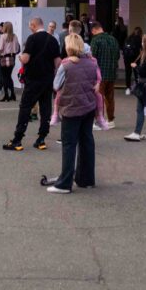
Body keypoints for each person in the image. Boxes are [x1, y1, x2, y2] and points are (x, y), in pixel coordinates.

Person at [46, 34, 99, 194]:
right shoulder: (92, 63)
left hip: (71, 107)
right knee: (86, 141)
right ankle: (86, 179)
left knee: (69, 145)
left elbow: (56, 85)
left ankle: (64, 183)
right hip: (88, 106)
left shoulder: (66, 65)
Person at [3, 17, 60, 152]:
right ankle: (41, 139)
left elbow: (26, 59)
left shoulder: (32, 39)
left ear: (34, 25)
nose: (30, 28)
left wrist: (20, 57)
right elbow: (58, 62)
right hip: (47, 79)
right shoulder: (53, 40)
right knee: (45, 108)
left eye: (30, 26)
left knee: (25, 107)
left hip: (33, 79)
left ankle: (17, 139)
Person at [123, 35, 146, 142]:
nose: (142, 43)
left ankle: (137, 132)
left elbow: (143, 72)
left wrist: (136, 67)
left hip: (144, 85)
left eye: (143, 41)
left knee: (140, 109)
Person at [88, 22, 119, 128]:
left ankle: (99, 121)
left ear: (94, 30)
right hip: (111, 73)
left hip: (99, 74)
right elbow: (118, 56)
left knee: (98, 98)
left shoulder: (95, 40)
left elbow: (92, 58)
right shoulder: (113, 39)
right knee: (110, 98)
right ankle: (111, 120)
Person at [0, 23, 19, 102]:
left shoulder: (2, 36)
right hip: (12, 58)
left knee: (4, 77)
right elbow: (16, 49)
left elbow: (0, 48)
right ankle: (12, 94)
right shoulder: (14, 36)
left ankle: (6, 95)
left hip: (4, 58)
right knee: (8, 76)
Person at [122, 26, 143, 93]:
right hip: (135, 59)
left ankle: (128, 88)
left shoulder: (128, 38)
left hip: (127, 58)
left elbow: (124, 48)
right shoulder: (139, 39)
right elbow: (142, 49)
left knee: (128, 73)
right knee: (136, 72)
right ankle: (137, 88)